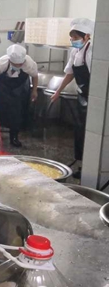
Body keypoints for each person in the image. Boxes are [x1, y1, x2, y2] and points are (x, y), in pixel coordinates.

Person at [50, 18, 94, 178]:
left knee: (90, 133)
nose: (72, 40)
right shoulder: (75, 52)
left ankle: (90, 167)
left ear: (87, 36)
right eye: (71, 37)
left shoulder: (92, 53)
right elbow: (70, 74)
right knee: (80, 130)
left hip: (94, 98)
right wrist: (58, 92)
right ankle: (81, 164)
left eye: (75, 37)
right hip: (83, 96)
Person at [0, 44, 39, 148]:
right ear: (10, 60)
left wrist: (34, 90)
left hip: (19, 89)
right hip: (3, 88)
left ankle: (14, 137)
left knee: (17, 113)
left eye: (20, 64)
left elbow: (35, 76)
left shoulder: (29, 63)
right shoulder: (2, 63)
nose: (18, 66)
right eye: (15, 64)